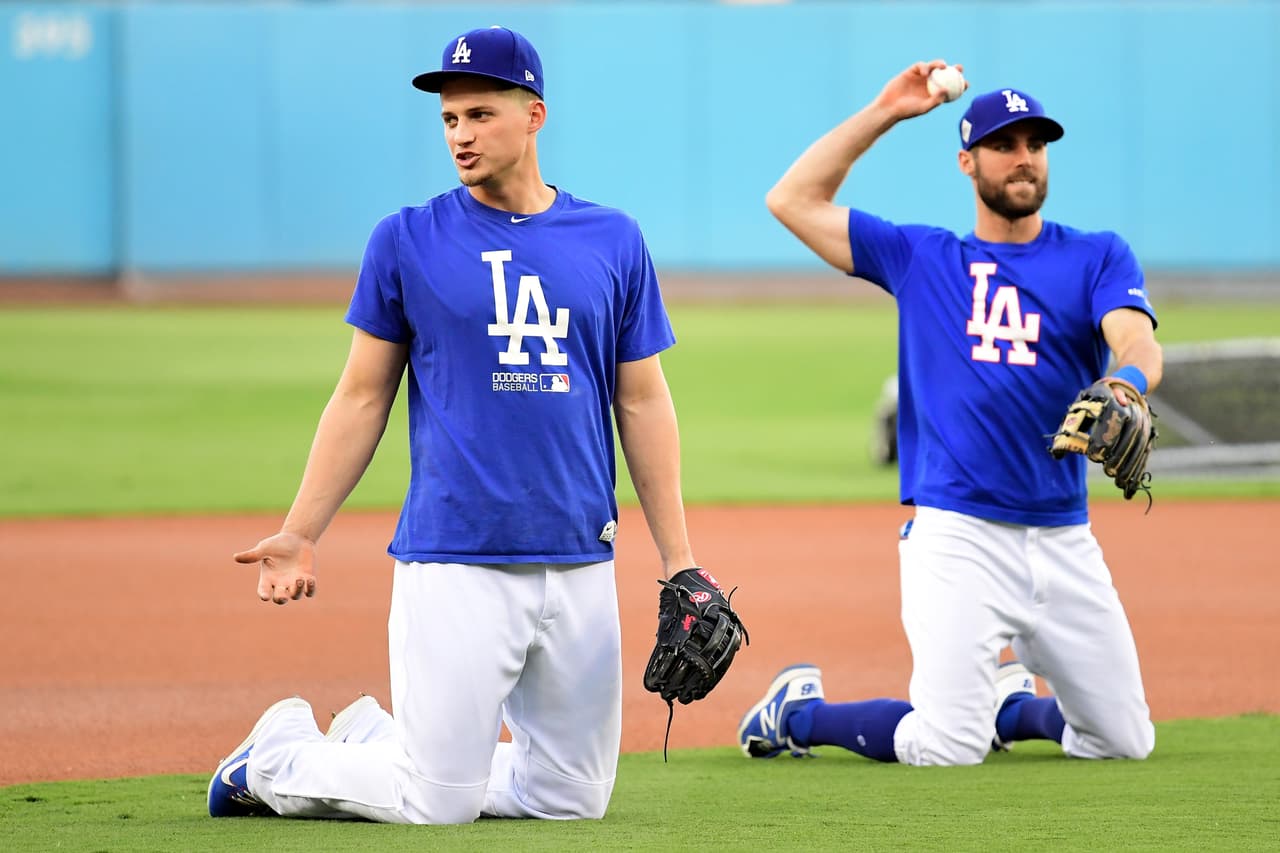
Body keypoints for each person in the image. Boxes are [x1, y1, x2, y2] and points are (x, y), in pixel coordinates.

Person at [208, 25, 707, 823]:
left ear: (534, 114)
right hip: (457, 560)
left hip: (581, 557)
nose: (460, 135)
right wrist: (303, 529)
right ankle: (276, 756)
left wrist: (681, 561)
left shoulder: (613, 238)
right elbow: (362, 395)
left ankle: (372, 736)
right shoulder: (407, 239)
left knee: (572, 800)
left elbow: (643, 400)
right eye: (449, 120)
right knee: (436, 804)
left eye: (479, 115)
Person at [738, 61, 1161, 766]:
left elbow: (1137, 340)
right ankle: (799, 714)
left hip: (1062, 536)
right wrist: (885, 111)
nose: (1023, 157)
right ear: (968, 161)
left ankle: (1012, 706)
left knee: (1123, 740)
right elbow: (792, 199)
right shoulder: (922, 257)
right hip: (958, 534)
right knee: (947, 744)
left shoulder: (1095, 256)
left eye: (1035, 143)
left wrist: (1125, 385)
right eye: (1004, 144)